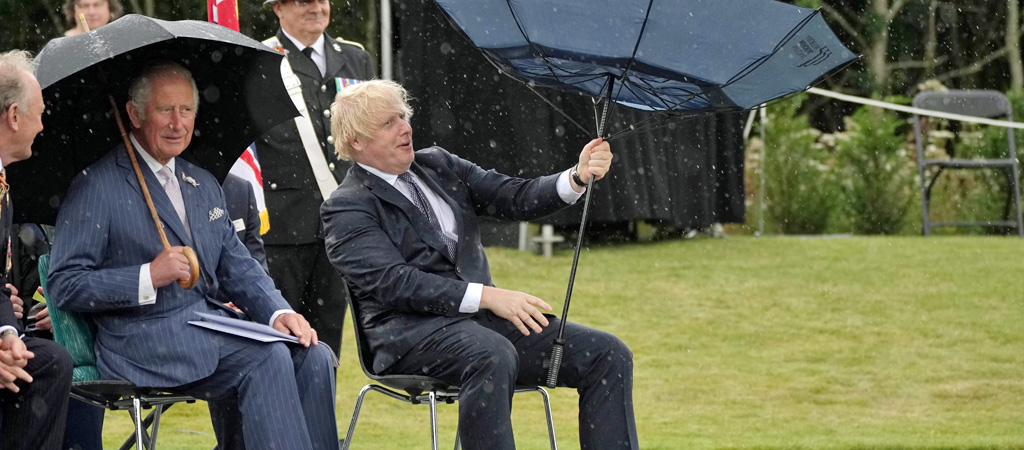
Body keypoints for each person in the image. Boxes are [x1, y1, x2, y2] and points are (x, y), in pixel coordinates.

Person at [321, 80, 639, 450]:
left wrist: (577, 176)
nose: (405, 127)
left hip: (482, 329)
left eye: (403, 117)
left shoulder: (438, 164)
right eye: (388, 123)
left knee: (608, 354)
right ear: (356, 141)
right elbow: (396, 284)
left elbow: (515, 196)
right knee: (491, 353)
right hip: (407, 337)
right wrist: (485, 295)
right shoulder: (346, 206)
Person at [47, 62, 338, 450]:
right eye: (164, 110)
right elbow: (65, 285)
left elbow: (237, 264)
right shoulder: (95, 186)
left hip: (208, 328)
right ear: (133, 114)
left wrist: (279, 313)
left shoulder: (201, 182)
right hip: (141, 343)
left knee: (314, 356)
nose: (177, 123)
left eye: (186, 110)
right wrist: (147, 275)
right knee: (266, 358)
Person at [257, 0, 375, 357]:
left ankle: (320, 412)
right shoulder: (260, 60)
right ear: (278, 8)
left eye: (320, 0)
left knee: (327, 341)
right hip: (282, 225)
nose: (315, 8)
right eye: (302, 1)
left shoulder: (355, 59)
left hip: (339, 226)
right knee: (277, 339)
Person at [0, 49, 73, 450]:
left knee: (48, 362)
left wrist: (8, 335)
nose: (43, 126)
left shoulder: (3, 184)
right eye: (39, 113)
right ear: (14, 115)